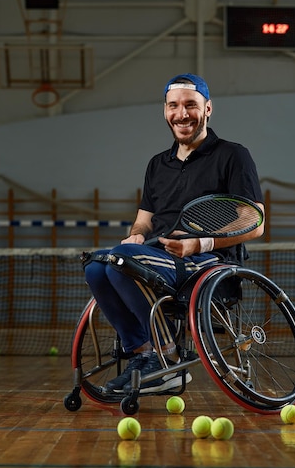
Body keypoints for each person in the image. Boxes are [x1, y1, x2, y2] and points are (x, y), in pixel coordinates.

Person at [84, 73, 265, 395]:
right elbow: (143, 221)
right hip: (157, 256)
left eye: (190, 105)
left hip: (208, 262)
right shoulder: (158, 164)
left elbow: (255, 223)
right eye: (173, 106)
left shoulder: (233, 155)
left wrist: (200, 243)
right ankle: (143, 355)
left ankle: (166, 359)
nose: (182, 114)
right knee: (97, 265)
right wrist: (136, 236)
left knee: (122, 263)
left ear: (208, 109)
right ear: (165, 111)